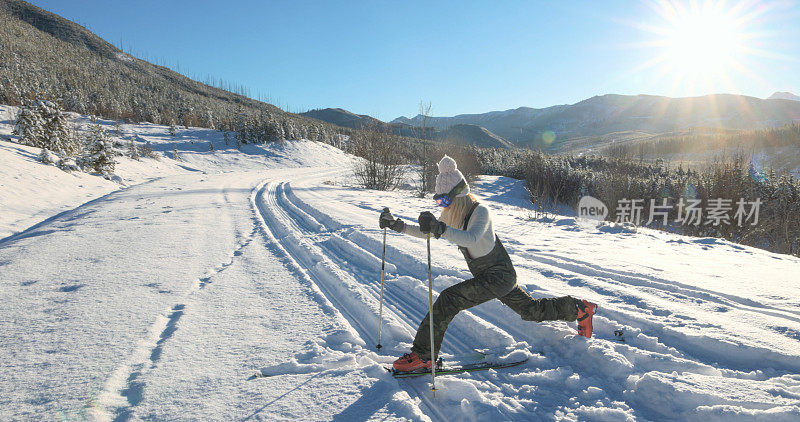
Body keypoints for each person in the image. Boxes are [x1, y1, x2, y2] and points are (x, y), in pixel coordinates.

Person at [379, 155, 597, 372]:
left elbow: (471, 238)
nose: (441, 206)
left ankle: (424, 356)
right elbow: (428, 232)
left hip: (498, 276)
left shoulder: (480, 212)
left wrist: (441, 228)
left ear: (459, 195)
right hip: (493, 277)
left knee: (448, 300)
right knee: (531, 311)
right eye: (438, 201)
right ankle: (579, 309)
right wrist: (397, 226)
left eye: (444, 200)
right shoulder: (454, 216)